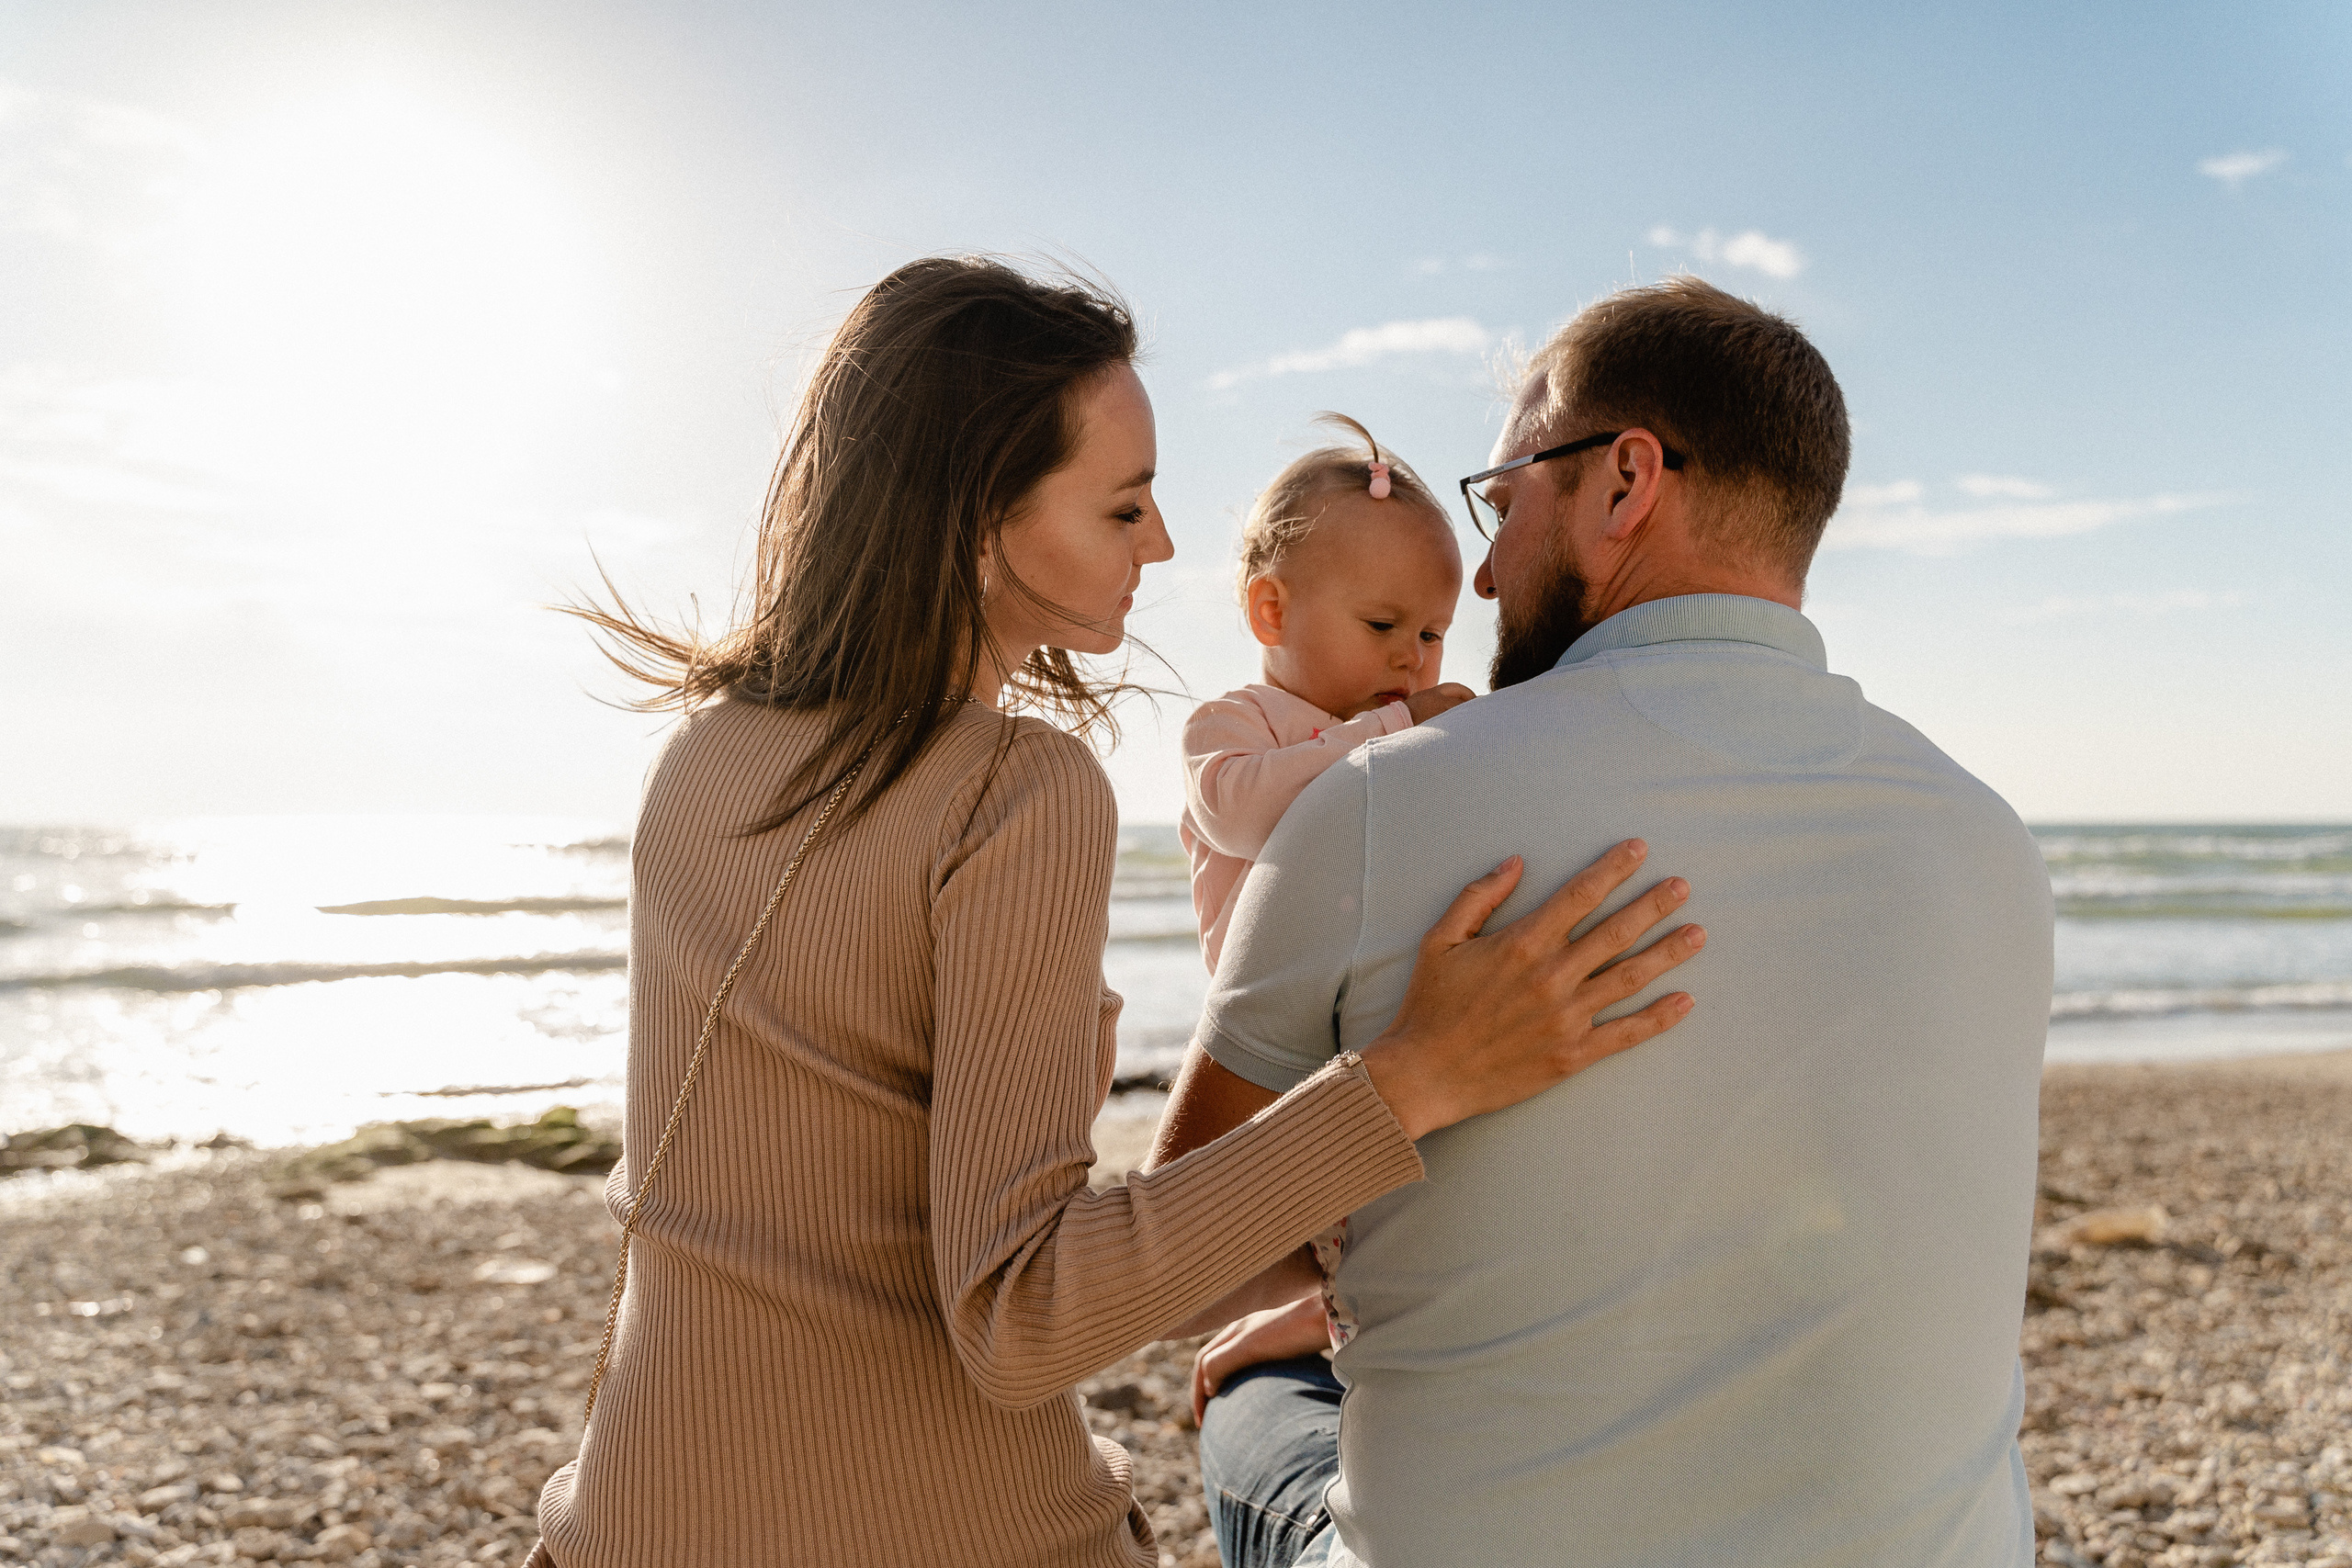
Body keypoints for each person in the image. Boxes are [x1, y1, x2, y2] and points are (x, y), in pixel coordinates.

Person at [521, 256, 1708, 1568]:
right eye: (1125, 504)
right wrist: (1415, 1075)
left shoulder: (702, 755)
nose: (1163, 543)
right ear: (979, 518)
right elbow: (1022, 1317)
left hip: (627, 1516)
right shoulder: (1017, 788)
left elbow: (704, 1196)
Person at [1155, 276, 2054, 1568]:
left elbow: (1179, 1273)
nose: (1483, 574)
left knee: (1255, 1398)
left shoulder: (1377, 799)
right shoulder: (1986, 838)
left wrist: (1349, 1207)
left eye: (1506, 497)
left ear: (1623, 483)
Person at [1180, 413, 1475, 975]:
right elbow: (1240, 815)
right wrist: (1392, 729)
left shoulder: (1412, 735)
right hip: (1266, 1028)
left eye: (1431, 634)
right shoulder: (1231, 722)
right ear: (1274, 613)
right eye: (1382, 625)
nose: (1410, 656)